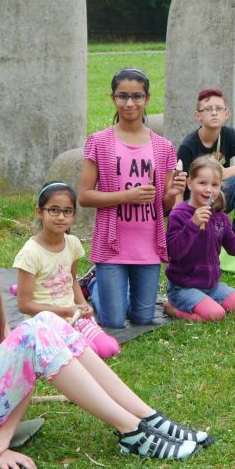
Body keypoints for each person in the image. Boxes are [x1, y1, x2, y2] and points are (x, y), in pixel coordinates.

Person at [0, 232, 213, 469]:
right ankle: (131, 431)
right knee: (33, 333)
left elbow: (23, 374)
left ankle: (147, 418)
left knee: (45, 321)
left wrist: (6, 433)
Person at [79, 68, 186, 329]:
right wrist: (128, 196)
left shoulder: (163, 147)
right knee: (114, 321)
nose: (130, 103)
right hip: (111, 244)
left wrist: (172, 194)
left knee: (143, 318)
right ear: (113, 98)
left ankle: (111, 290)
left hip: (147, 244)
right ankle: (95, 285)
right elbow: (84, 196)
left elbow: (163, 207)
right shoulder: (99, 142)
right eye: (122, 96)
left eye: (137, 96)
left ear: (147, 99)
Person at [13, 182, 120, 359]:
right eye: (54, 210)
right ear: (39, 212)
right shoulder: (30, 253)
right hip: (45, 322)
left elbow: (72, 279)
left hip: (72, 316)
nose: (61, 217)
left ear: (73, 214)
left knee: (110, 349)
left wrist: (83, 306)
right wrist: (66, 311)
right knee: (90, 353)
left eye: (67, 211)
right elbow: (24, 305)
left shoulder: (72, 243)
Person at [164, 156, 235, 321]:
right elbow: (174, 252)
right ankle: (172, 308)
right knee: (216, 314)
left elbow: (234, 247)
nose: (208, 189)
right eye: (202, 183)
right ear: (189, 183)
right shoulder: (179, 215)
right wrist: (193, 224)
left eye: (214, 185)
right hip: (183, 287)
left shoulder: (220, 218)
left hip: (212, 286)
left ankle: (206, 302)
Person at [177, 88, 235, 236]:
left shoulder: (228, 134)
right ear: (198, 116)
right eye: (208, 109)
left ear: (226, 114)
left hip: (217, 194)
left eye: (219, 109)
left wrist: (224, 173)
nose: (214, 113)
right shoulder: (188, 146)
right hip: (194, 203)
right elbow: (180, 188)